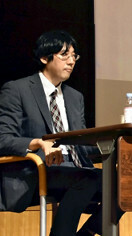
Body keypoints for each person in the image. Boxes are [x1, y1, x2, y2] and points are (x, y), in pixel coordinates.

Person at [0, 30, 118, 236]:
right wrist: (38, 143)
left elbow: (80, 145)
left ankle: (87, 233)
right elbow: (3, 139)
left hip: (74, 168)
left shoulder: (74, 97)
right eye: (64, 55)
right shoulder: (17, 90)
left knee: (126, 183)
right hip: (34, 170)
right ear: (45, 58)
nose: (71, 61)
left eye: (74, 56)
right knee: (86, 179)